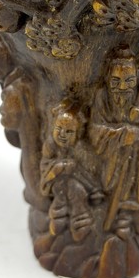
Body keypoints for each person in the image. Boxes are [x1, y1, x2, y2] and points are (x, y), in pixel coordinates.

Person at [89, 46, 139, 239]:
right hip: (113, 153)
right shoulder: (102, 96)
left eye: (129, 81)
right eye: (116, 81)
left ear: (137, 78)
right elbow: (95, 129)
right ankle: (118, 211)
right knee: (111, 179)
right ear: (107, 78)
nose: (122, 87)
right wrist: (122, 133)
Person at [40, 104, 96, 242]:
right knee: (61, 188)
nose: (62, 135)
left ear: (78, 133)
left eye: (69, 131)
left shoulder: (81, 148)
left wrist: (74, 169)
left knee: (75, 189)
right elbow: (46, 168)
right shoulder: (50, 145)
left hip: (80, 189)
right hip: (57, 186)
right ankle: (58, 217)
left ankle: (80, 221)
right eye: (58, 129)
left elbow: (89, 171)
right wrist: (60, 167)